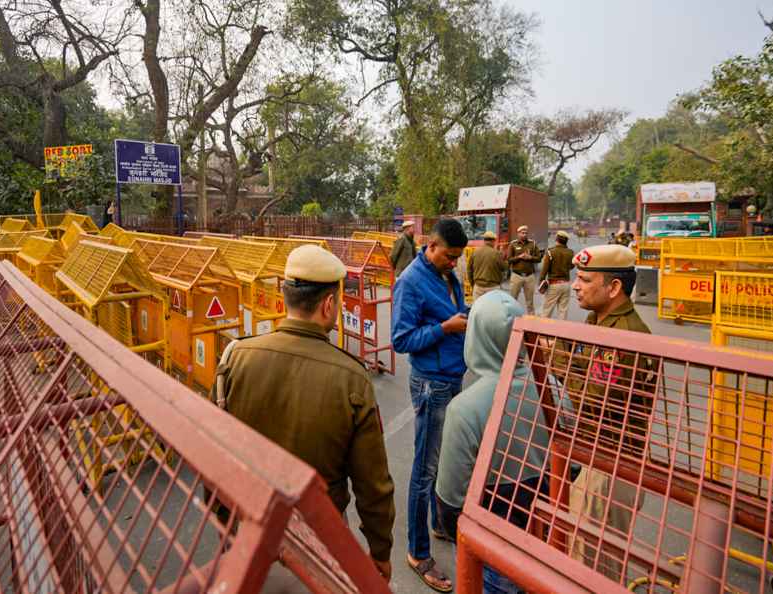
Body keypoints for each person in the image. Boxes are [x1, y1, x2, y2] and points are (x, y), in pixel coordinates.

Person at [212, 245, 396, 583]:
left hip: (250, 529)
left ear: (285, 298)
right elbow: (374, 486)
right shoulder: (351, 376)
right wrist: (380, 551)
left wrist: (225, 522)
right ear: (329, 305)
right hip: (319, 537)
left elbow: (215, 454)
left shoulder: (235, 358)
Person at [435, 290, 550, 594]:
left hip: (489, 540)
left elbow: (449, 501)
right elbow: (572, 467)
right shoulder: (552, 388)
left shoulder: (465, 408)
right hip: (544, 537)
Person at [564, 244, 654, 579]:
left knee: (593, 568)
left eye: (585, 279)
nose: (576, 285)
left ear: (614, 287)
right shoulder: (598, 320)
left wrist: (558, 355)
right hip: (596, 454)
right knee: (581, 553)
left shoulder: (626, 336)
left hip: (612, 464)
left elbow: (592, 395)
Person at [392, 218, 469, 593]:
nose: (454, 263)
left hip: (453, 376)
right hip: (431, 384)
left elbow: (455, 310)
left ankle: (440, 523)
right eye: (450, 257)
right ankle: (418, 551)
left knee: (446, 463)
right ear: (431, 246)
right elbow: (401, 339)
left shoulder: (446, 275)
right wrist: (445, 329)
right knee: (424, 470)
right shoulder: (410, 282)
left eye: (457, 258)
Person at [538, 230, 575, 320]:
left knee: (547, 311)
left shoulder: (551, 252)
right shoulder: (570, 252)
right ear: (566, 241)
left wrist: (541, 282)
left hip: (554, 284)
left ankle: (542, 331)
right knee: (563, 311)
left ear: (556, 239)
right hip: (566, 285)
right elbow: (572, 266)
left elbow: (544, 270)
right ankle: (560, 332)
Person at [506, 225, 541, 314]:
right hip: (516, 275)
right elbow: (509, 259)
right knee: (513, 299)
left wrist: (530, 257)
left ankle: (531, 320)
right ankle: (511, 318)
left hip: (529, 276)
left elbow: (539, 258)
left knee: (530, 302)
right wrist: (519, 257)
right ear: (518, 234)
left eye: (526, 233)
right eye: (522, 233)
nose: (524, 235)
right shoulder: (513, 244)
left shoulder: (532, 244)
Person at [467, 230, 507, 301]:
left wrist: (473, 284)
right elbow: (504, 268)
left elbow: (469, 270)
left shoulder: (475, 252)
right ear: (493, 241)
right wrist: (503, 257)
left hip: (478, 287)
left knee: (478, 310)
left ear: (484, 240)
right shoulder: (496, 253)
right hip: (493, 288)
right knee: (492, 310)